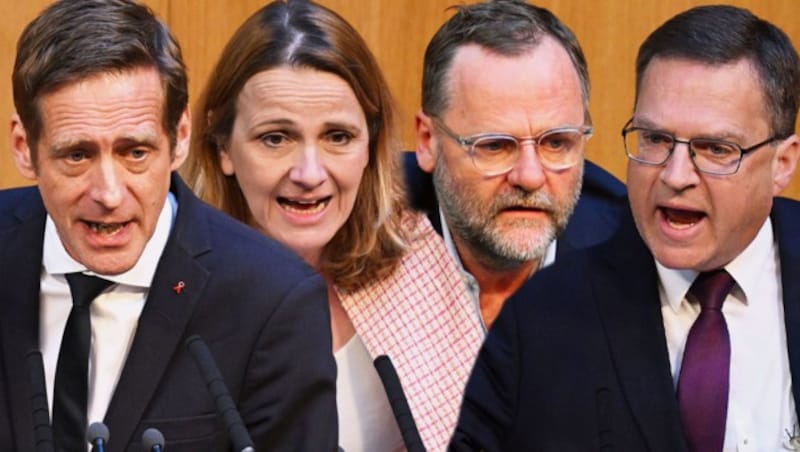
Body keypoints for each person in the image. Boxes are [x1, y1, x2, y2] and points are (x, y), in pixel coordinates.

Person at [451, 4, 800, 451]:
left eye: (714, 148)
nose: (675, 176)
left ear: (781, 163)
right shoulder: (539, 320)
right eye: (655, 139)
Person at [0, 0, 337, 450]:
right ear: (25, 148)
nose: (109, 194)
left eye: (135, 152)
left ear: (178, 139)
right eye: (76, 155)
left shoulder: (273, 303)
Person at [181, 0, 482, 450]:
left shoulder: (420, 265)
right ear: (222, 145)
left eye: (337, 137)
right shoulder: (175, 288)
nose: (309, 173)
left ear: (371, 145)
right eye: (275, 138)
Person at [409, 0, 626, 329]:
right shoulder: (362, 227)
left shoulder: (632, 255)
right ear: (428, 142)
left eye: (556, 143)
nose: (529, 177)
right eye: (494, 146)